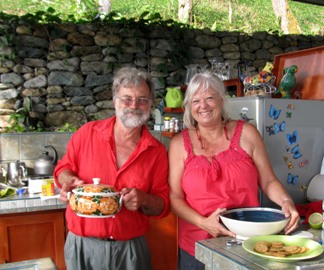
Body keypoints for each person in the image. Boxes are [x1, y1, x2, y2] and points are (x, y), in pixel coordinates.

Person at [168, 71, 300, 270]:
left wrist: (286, 201)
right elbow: (174, 198)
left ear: (222, 100)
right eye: (195, 101)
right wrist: (204, 223)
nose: (202, 106)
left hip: (247, 243)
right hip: (197, 247)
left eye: (210, 98)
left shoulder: (248, 133)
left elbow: (268, 181)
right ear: (189, 107)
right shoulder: (179, 144)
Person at [54, 67, 170, 270]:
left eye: (142, 99)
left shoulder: (156, 151)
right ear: (115, 100)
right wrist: (67, 181)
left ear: (151, 104)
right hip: (82, 247)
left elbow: (162, 205)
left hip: (130, 250)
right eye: (127, 99)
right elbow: (63, 168)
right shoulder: (87, 133)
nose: (134, 105)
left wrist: (143, 199)